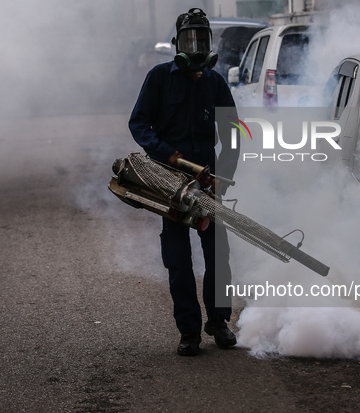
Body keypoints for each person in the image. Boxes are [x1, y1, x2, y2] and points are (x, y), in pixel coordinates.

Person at [128, 8, 239, 356]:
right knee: (178, 260)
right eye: (189, 40)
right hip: (170, 184)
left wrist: (225, 177)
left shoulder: (215, 83)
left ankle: (219, 323)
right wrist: (166, 153)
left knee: (217, 257)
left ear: (209, 45)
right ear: (177, 44)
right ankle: (188, 331)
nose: (195, 48)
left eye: (200, 40)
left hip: (208, 183)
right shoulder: (159, 78)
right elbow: (139, 124)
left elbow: (234, 135)